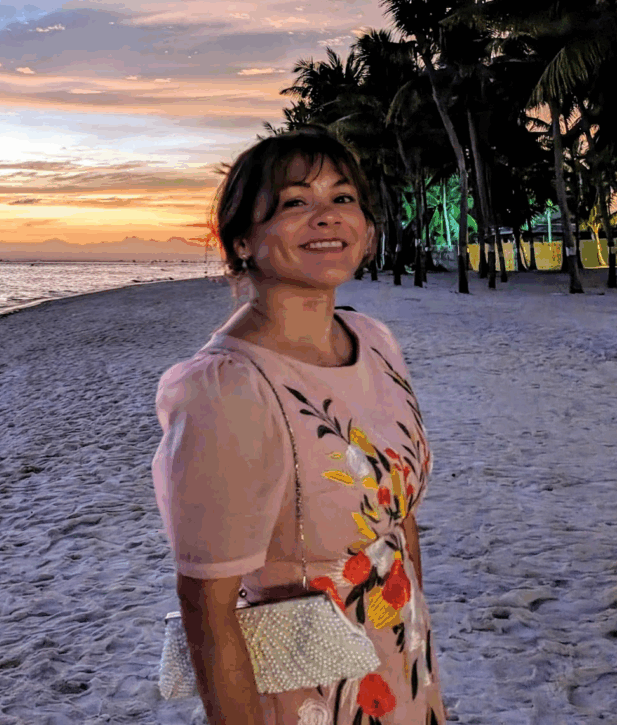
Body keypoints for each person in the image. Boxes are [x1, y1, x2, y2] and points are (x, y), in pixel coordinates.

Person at [152, 126, 446, 725]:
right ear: (241, 240)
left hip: (403, 657)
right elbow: (207, 608)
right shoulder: (227, 387)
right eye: (294, 203)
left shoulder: (375, 340)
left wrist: (415, 640)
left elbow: (398, 516)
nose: (327, 218)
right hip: (310, 689)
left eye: (343, 199)